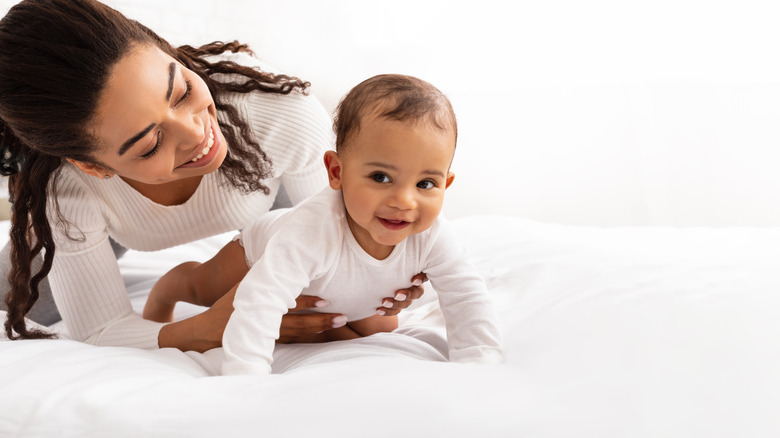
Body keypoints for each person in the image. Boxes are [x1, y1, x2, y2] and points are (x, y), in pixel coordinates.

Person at [0, 0, 425, 351]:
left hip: (260, 188)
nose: (196, 134)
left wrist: (380, 282)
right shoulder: (68, 191)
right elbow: (100, 331)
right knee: (12, 299)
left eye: (182, 90)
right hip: (109, 214)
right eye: (150, 144)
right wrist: (208, 328)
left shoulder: (268, 109)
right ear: (93, 165)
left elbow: (353, 260)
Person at [143, 74, 505, 375]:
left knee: (379, 327)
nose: (404, 201)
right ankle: (168, 287)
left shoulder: (433, 234)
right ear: (336, 172)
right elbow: (261, 299)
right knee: (205, 289)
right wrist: (245, 373)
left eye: (426, 184)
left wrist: (480, 361)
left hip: (338, 289)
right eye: (381, 177)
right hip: (262, 250)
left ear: (446, 184)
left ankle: (334, 316)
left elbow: (466, 296)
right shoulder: (310, 230)